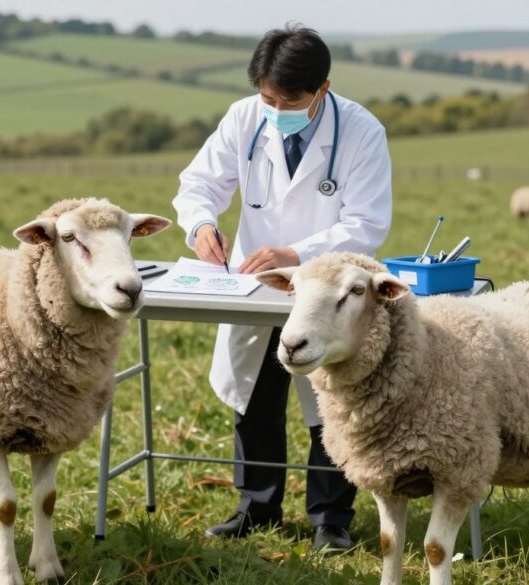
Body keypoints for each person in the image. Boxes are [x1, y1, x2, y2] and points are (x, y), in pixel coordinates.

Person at [171, 25, 392, 552]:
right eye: (268, 98)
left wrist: (295, 255)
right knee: (254, 396)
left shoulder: (361, 131)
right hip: (254, 283)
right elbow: (199, 183)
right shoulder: (244, 118)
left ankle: (330, 520)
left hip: (327, 289)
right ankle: (255, 507)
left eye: (289, 101)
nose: (275, 110)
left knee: (331, 404)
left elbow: (366, 223)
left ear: (322, 88)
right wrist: (201, 224)